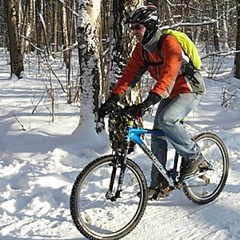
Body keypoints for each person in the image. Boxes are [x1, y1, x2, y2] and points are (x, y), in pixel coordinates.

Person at [99, 5, 206, 200]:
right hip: (169, 92)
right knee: (158, 134)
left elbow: (169, 74)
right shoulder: (142, 50)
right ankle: (159, 185)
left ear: (149, 25)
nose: (134, 32)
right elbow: (129, 76)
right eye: (132, 28)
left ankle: (194, 156)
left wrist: (151, 99)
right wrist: (113, 98)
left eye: (137, 27)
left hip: (189, 89)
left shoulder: (169, 43)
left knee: (166, 120)